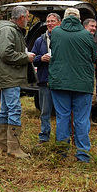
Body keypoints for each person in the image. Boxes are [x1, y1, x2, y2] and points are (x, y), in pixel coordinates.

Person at [49, 8, 97, 163]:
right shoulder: (87, 35)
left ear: (63, 18)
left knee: (62, 117)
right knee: (81, 119)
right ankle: (83, 154)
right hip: (83, 83)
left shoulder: (56, 32)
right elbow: (94, 56)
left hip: (60, 81)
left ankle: (62, 152)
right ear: (79, 19)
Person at [0, 5, 34, 158]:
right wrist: (25, 57)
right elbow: (6, 53)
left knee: (5, 110)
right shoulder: (8, 30)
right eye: (28, 17)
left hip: (8, 75)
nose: (28, 20)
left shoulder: (9, 29)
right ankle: (14, 148)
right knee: (14, 110)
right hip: (9, 76)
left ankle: (2, 146)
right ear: (22, 17)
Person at [32, 12, 61, 143]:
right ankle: (44, 137)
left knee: (62, 112)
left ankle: (61, 138)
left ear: (59, 23)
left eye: (52, 21)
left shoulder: (63, 39)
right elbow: (33, 58)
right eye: (48, 21)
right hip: (44, 80)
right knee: (45, 112)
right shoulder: (40, 40)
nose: (49, 23)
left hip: (60, 81)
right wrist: (41, 58)